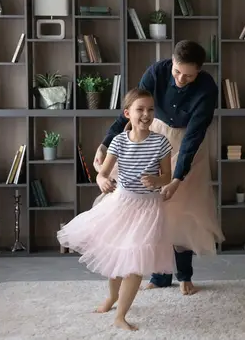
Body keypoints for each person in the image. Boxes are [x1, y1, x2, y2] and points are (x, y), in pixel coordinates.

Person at [93, 40, 224, 296]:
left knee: (182, 211)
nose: (180, 79)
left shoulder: (207, 88)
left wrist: (176, 179)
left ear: (199, 71)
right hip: (152, 138)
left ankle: (185, 274)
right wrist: (105, 143)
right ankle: (160, 275)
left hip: (187, 147)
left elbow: (194, 137)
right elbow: (129, 112)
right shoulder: (156, 72)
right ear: (171, 62)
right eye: (177, 71)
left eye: (188, 75)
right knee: (150, 209)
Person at [57, 88, 176, 331]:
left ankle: (120, 315)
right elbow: (102, 172)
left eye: (150, 109)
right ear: (127, 113)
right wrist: (101, 180)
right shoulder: (119, 141)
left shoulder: (160, 142)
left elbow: (167, 176)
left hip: (147, 209)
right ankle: (112, 297)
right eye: (140, 109)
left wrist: (157, 180)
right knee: (117, 257)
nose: (146, 114)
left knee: (133, 264)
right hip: (121, 204)